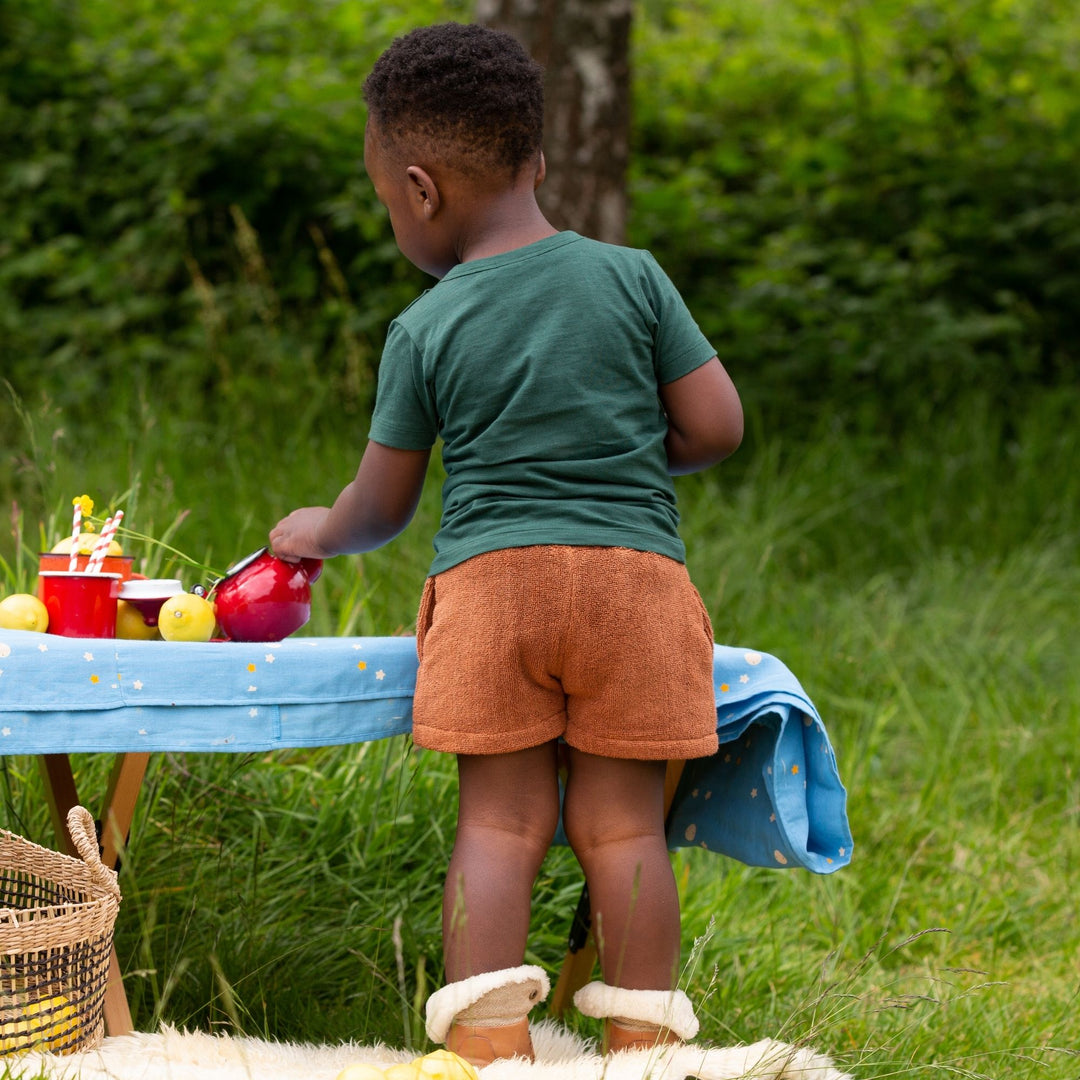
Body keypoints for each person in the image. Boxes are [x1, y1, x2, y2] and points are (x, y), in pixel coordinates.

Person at [269, 21, 743, 1068]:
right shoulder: (634, 279)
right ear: (534, 158)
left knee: (499, 828)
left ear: (422, 188)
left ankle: (489, 1051)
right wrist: (613, 458)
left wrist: (319, 528)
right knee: (623, 830)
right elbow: (716, 428)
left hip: (494, 594)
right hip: (635, 586)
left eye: (385, 197)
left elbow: (383, 506)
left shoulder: (427, 327)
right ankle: (641, 1046)